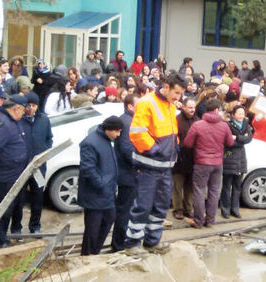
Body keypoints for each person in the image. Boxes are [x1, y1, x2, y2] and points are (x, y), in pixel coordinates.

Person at [124, 73, 186, 255]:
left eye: (180, 94)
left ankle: (152, 241)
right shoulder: (147, 102)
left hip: (164, 166)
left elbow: (170, 132)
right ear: (166, 87)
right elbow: (137, 133)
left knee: (160, 205)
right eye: (176, 92)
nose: (178, 97)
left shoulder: (168, 105)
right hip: (149, 165)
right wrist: (155, 150)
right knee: (143, 205)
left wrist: (172, 149)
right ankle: (132, 244)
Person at [0, 95, 28, 250]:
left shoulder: (11, 121)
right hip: (3, 176)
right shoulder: (3, 123)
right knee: (1, 210)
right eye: (23, 110)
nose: (25, 113)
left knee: (6, 209)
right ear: (16, 108)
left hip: (11, 174)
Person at [184, 99, 234, 228]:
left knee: (199, 191)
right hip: (218, 163)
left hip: (201, 162)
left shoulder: (197, 125)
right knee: (214, 191)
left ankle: (198, 220)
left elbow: (188, 143)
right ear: (217, 110)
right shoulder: (224, 125)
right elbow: (230, 143)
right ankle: (210, 220)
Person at [77, 116, 122, 255]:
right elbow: (88, 169)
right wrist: (101, 184)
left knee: (108, 220)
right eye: (117, 131)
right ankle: (88, 255)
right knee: (93, 229)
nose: (118, 135)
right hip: (95, 195)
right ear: (108, 129)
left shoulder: (107, 140)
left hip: (107, 193)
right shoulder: (90, 143)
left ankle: (95, 252)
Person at [18, 92, 53, 234]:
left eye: (33, 105)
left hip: (39, 166)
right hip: (22, 166)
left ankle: (35, 226)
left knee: (38, 197)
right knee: (19, 199)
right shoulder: (19, 120)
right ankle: (16, 228)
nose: (30, 108)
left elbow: (49, 138)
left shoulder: (44, 120)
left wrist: (44, 153)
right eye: (28, 105)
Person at [112, 94, 140, 252]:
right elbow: (127, 149)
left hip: (127, 172)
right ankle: (119, 245)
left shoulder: (127, 120)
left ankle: (120, 242)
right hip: (128, 174)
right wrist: (139, 164)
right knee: (125, 211)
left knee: (125, 210)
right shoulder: (128, 122)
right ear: (130, 106)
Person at [221, 105, 252, 218]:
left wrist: (237, 138)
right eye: (239, 113)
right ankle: (225, 209)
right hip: (229, 158)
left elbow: (249, 138)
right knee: (226, 186)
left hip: (241, 159)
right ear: (233, 114)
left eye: (242, 113)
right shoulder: (228, 125)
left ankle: (235, 209)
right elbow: (228, 141)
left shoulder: (245, 124)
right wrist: (241, 139)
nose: (241, 116)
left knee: (237, 186)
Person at [172, 97, 199, 220]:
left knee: (190, 186)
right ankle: (177, 209)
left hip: (193, 159)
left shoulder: (197, 120)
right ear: (183, 107)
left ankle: (189, 209)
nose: (192, 110)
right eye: (190, 107)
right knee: (177, 186)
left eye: (194, 107)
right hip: (179, 158)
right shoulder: (177, 120)